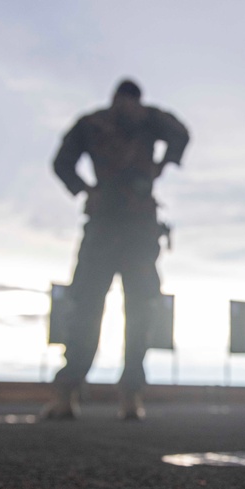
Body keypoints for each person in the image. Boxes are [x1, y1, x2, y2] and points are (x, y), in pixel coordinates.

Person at [44, 79, 189, 420]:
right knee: (87, 307)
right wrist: (85, 190)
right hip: (106, 225)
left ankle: (129, 393)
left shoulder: (149, 119)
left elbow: (181, 134)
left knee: (138, 309)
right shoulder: (93, 123)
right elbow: (62, 162)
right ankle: (70, 391)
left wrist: (161, 165)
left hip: (138, 228)